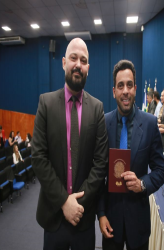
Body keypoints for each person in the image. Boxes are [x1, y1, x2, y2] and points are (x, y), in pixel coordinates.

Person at [32, 38, 108, 250]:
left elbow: (100, 163)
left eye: (83, 60)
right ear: (64, 62)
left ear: (88, 68)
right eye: (73, 58)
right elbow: (38, 158)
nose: (78, 64)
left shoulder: (97, 108)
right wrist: (65, 202)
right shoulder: (45, 103)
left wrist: (77, 206)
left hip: (83, 219)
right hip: (54, 214)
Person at [98, 60, 164, 250]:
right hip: (111, 221)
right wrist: (101, 213)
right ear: (114, 91)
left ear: (136, 89)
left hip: (139, 220)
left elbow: (160, 171)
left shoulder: (151, 124)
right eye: (120, 86)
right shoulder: (104, 123)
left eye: (129, 85)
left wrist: (142, 184)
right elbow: (99, 174)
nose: (125, 91)